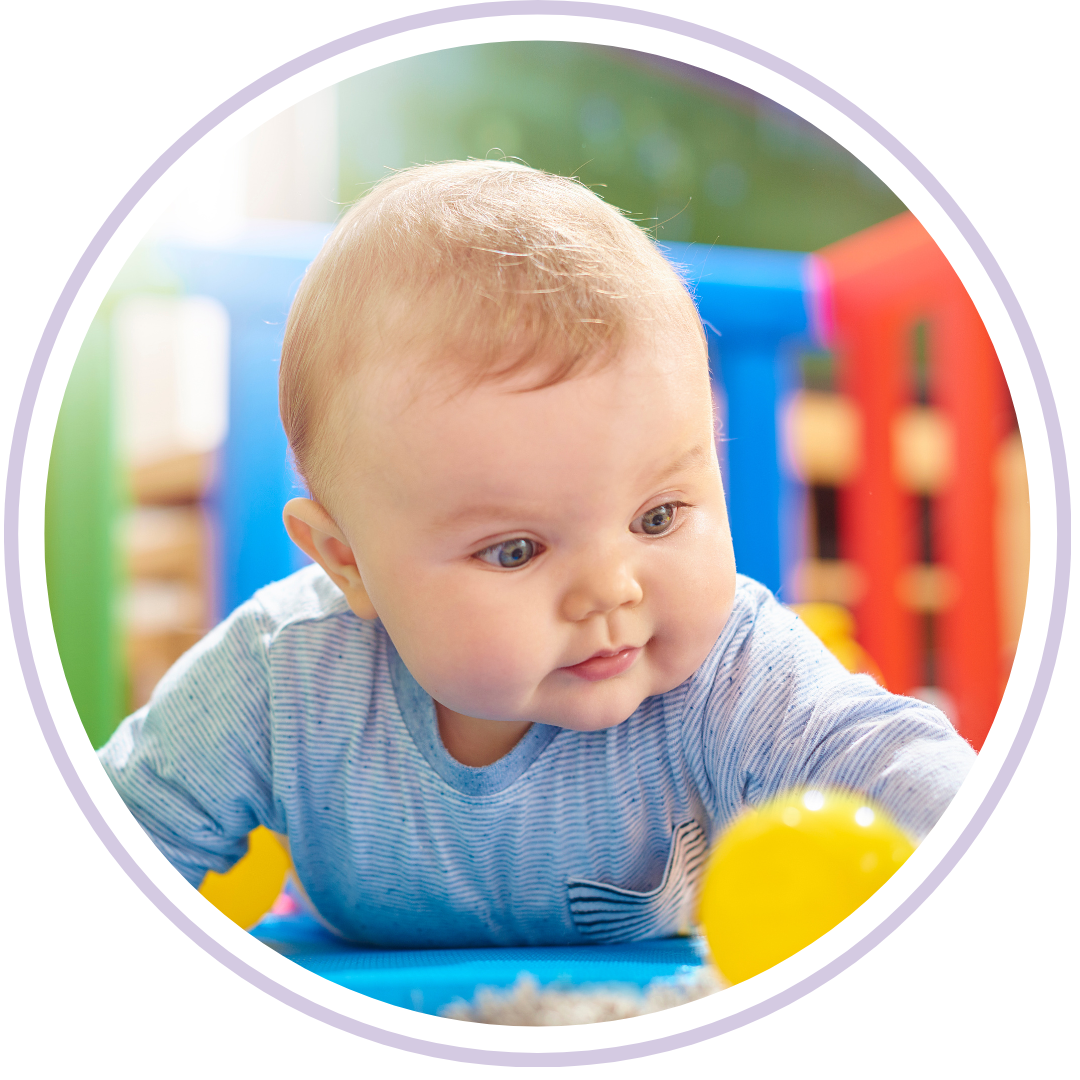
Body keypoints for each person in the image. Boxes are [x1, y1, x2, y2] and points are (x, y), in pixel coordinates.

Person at [99, 160, 975, 948]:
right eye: (515, 549)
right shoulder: (279, 680)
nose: (610, 590)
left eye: (659, 516)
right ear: (347, 563)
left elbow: (889, 763)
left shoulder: (726, 668)